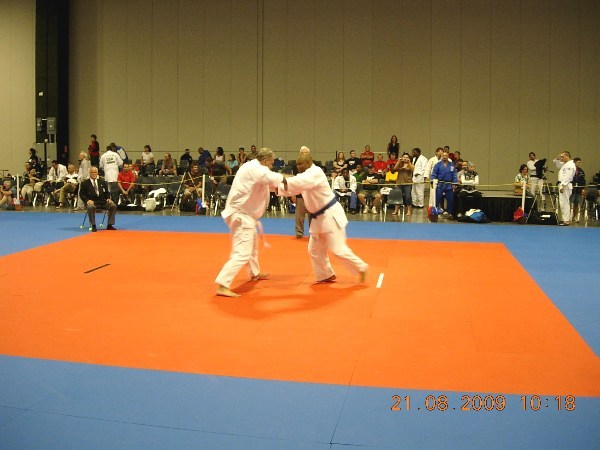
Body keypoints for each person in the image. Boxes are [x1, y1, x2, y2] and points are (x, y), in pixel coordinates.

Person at [280, 152, 368, 284]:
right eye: (297, 164)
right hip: (318, 219)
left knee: (338, 249)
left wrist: (276, 178)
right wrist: (270, 185)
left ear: (309, 163)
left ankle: (361, 267)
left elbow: (295, 182)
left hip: (329, 214)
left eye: (301, 164)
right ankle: (325, 274)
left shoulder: (315, 172)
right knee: (314, 250)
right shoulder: (304, 176)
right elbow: (291, 188)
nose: (298, 166)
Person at [215, 148, 284, 297]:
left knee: (252, 247)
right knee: (242, 252)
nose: (272, 165)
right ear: (265, 161)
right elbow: (272, 178)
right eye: (271, 163)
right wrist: (288, 179)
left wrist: (291, 188)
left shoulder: (254, 168)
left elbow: (271, 185)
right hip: (241, 215)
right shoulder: (256, 169)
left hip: (245, 214)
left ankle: (254, 273)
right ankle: (223, 284)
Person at [78, 167, 117, 232]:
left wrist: (108, 198)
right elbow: (82, 194)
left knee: (113, 205)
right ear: (89, 173)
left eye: (95, 172)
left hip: (102, 202)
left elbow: (107, 192)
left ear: (97, 173)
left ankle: (110, 224)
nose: (94, 174)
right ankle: (93, 225)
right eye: (92, 172)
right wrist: (87, 200)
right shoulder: (85, 183)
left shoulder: (102, 182)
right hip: (92, 202)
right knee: (91, 207)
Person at [431, 150, 458, 218]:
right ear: (441, 156)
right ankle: (436, 212)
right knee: (437, 199)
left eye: (446, 156)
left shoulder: (451, 165)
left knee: (450, 199)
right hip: (440, 184)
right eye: (443, 156)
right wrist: (432, 181)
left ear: (448, 157)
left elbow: (454, 174)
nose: (445, 157)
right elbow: (434, 174)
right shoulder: (438, 164)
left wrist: (455, 183)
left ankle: (449, 213)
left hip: (449, 184)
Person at [553, 151, 576, 225]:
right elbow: (557, 165)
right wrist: (557, 158)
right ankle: (564, 219)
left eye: (563, 157)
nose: (561, 158)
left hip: (565, 185)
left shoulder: (570, 165)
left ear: (567, 156)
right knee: (562, 202)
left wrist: (563, 185)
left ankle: (566, 220)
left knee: (565, 202)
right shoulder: (565, 164)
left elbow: (568, 176)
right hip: (563, 184)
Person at [294, 146, 310, 238]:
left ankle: (313, 233)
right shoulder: (296, 166)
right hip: (300, 193)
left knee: (313, 215)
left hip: (310, 193)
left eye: (306, 153)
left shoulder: (313, 166)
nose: (304, 154)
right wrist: (293, 194)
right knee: (299, 215)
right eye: (302, 153)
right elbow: (293, 180)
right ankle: (299, 232)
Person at [570, 157, 586, 223]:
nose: (580, 164)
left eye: (580, 162)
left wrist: (583, 188)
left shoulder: (581, 171)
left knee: (577, 204)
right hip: (571, 189)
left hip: (578, 190)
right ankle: (569, 217)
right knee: (570, 203)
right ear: (574, 162)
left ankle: (575, 217)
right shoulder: (570, 170)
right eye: (578, 162)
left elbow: (583, 181)